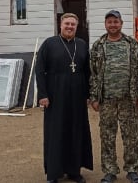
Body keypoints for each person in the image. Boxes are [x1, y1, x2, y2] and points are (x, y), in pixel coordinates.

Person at [90, 10, 138, 183]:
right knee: (107, 135)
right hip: (106, 99)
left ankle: (132, 169)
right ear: (105, 24)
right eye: (109, 22)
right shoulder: (98, 45)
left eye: (116, 21)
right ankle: (110, 170)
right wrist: (93, 97)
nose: (113, 24)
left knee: (131, 135)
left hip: (128, 99)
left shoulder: (132, 44)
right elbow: (93, 73)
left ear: (121, 23)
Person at [36, 13, 93, 183]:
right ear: (60, 25)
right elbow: (39, 70)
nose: (70, 27)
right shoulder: (49, 44)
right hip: (55, 96)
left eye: (73, 24)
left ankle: (74, 171)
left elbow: (87, 72)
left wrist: (88, 95)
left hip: (77, 96)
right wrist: (43, 95)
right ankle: (54, 172)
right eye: (67, 23)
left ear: (77, 26)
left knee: (75, 132)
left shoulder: (82, 45)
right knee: (56, 133)